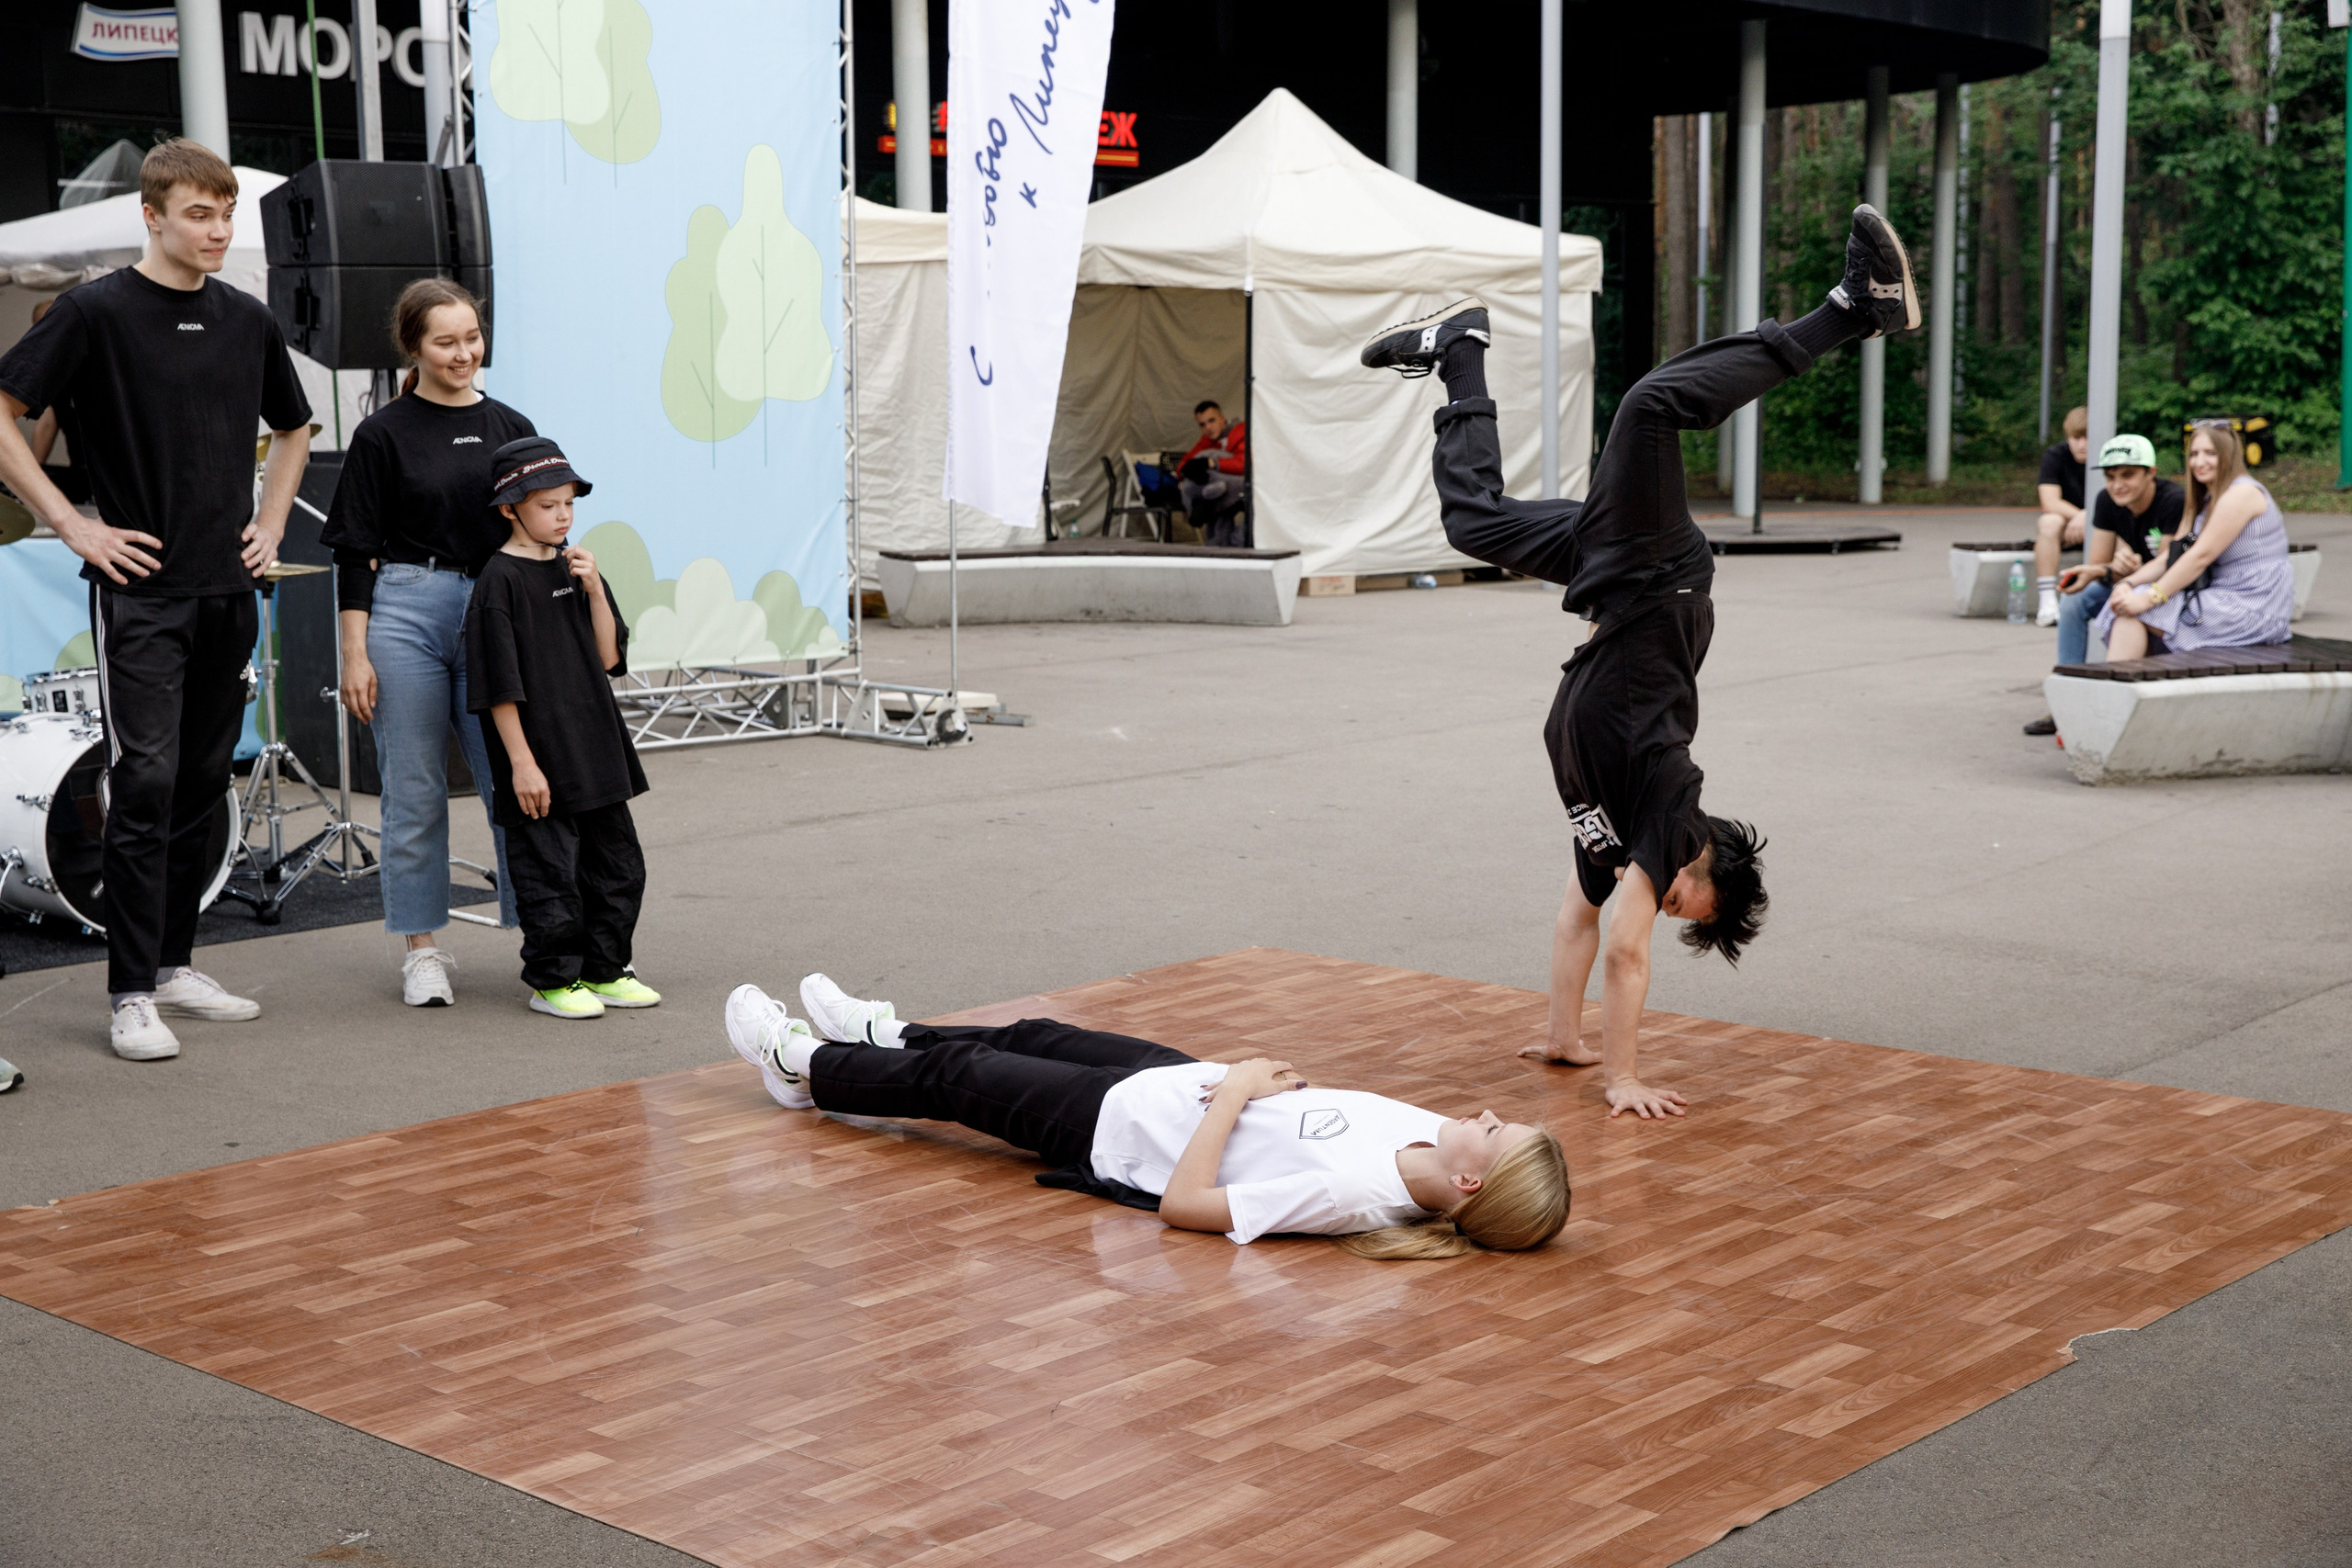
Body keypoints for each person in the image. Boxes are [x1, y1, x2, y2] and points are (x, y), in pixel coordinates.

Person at [1361, 204, 1920, 1120]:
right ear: (1704, 864)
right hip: (1654, 574)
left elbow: (1577, 925)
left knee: (1475, 524)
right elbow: (1626, 952)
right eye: (1687, 905)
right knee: (1651, 406)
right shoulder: (1670, 814)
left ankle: (1458, 350)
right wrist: (1622, 1078)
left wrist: (1565, 1036)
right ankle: (1853, 309)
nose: (1665, 908)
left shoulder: (1610, 843)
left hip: (1615, 581)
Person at [0, 140, 311, 1062]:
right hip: (139, 592)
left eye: (226, 214)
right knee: (143, 781)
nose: (217, 231)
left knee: (202, 782)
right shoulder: (93, 312)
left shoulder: (247, 318)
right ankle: (130, 992)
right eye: (199, 215)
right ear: (153, 216)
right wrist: (73, 525)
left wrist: (271, 523)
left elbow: (294, 429)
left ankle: (173, 964)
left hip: (230, 588)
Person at [722, 973, 1572, 1258]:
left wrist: (1238, 1091)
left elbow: (1186, 1205)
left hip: (1120, 1132)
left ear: (1470, 1181)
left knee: (961, 1078)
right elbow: (1323, 1117)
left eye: (1497, 1131)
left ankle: (803, 1067)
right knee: (1029, 1032)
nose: (1488, 1112)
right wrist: (1272, 1084)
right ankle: (880, 1035)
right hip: (1176, 1080)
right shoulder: (1434, 1138)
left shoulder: (1352, 1197)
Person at [323, 279, 531, 1006]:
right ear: (412, 347)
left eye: (471, 337)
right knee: (413, 790)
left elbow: (543, 526)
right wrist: (354, 653)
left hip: (496, 609)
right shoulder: (382, 433)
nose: (463, 352)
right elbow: (354, 552)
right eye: (445, 342)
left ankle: (545, 936)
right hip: (405, 609)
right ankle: (421, 950)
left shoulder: (511, 425)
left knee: (514, 779)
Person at [463, 437, 657, 1019]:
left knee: (618, 866)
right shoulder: (498, 581)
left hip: (595, 746)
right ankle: (553, 980)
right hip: (539, 756)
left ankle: (606, 969)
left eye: (568, 503)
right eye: (547, 506)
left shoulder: (577, 566)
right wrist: (521, 764)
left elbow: (608, 658)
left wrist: (595, 589)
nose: (562, 516)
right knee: (550, 874)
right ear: (509, 509)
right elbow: (498, 686)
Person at [2022, 434, 2185, 736]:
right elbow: (2099, 564)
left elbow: (2168, 567)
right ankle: (2066, 697)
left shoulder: (2173, 500)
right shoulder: (2106, 500)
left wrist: (2125, 573)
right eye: (2110, 476)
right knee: (2074, 600)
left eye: (2127, 475)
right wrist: (2110, 568)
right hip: (2130, 582)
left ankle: (2112, 706)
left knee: (2129, 605)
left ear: (2150, 472)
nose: (2117, 484)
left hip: (2169, 590)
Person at [2097, 421, 2293, 661]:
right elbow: (2170, 558)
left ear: (2229, 455)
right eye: (2194, 454)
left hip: (2254, 609)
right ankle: (2128, 681)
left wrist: (2148, 599)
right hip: (2222, 600)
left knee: (2138, 610)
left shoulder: (2242, 493)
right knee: (2128, 605)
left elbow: (2199, 557)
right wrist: (2127, 584)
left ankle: (2119, 680)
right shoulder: (2205, 500)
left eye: (2210, 453)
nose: (2200, 462)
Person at [2030, 407, 2091, 626]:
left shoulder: (2110, 457)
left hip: (2103, 525)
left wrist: (2089, 518)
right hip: (2068, 526)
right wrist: (2081, 515)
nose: (2082, 444)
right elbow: (2050, 502)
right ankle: (2047, 602)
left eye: (2087, 438)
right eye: (2076, 438)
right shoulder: (2055, 456)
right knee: (2049, 522)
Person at [1176, 400, 1249, 547]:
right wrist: (1188, 470)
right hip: (1220, 496)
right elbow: (1185, 464)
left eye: (1212, 421)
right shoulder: (1207, 441)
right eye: (1202, 425)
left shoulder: (1240, 432)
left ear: (1222, 419)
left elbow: (1246, 464)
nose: (1208, 428)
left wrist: (1213, 463)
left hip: (1248, 489)